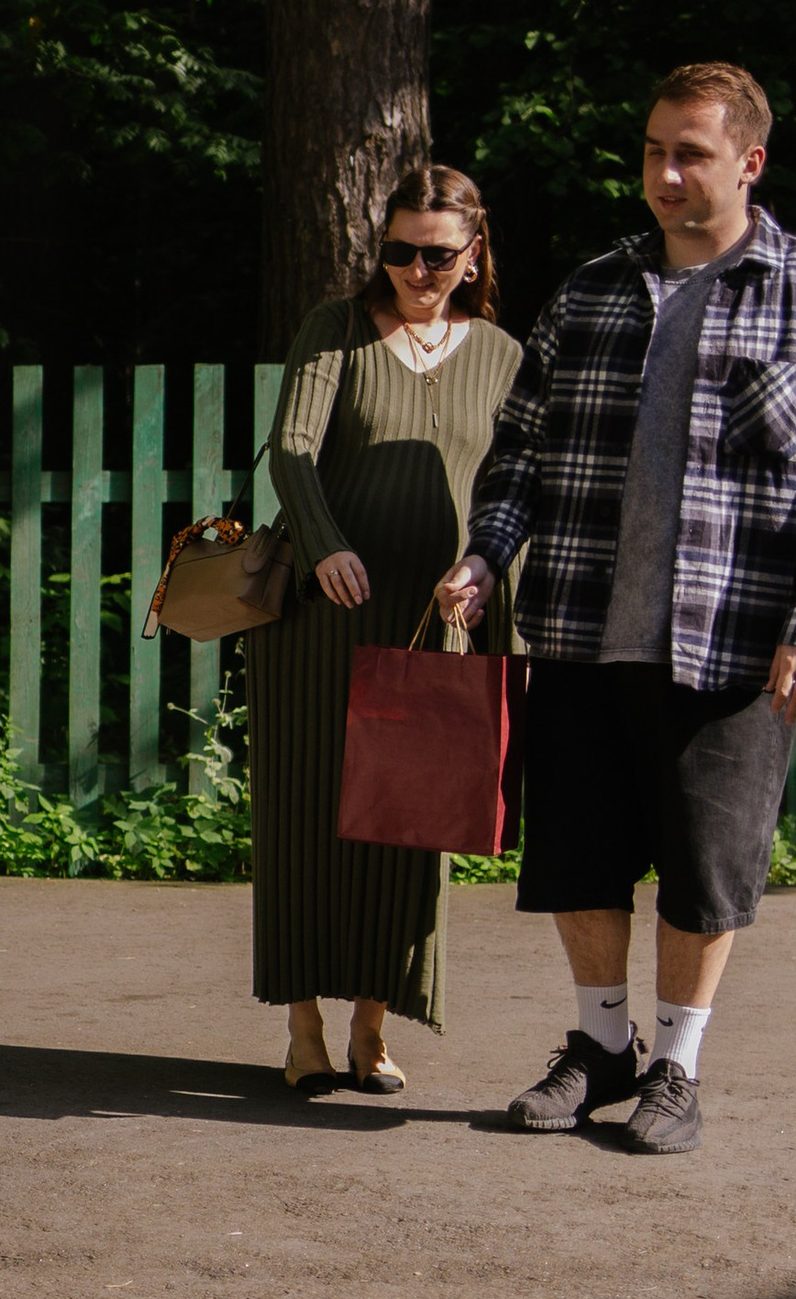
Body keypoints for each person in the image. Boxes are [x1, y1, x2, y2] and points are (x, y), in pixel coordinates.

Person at [437, 61, 796, 1154]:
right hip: (583, 626)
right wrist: (485, 555)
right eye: (652, 149)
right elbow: (519, 448)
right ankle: (600, 1049)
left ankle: (676, 1067)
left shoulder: (791, 295)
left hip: (726, 638)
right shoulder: (594, 287)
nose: (665, 171)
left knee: (703, 865)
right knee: (578, 853)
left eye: (689, 151)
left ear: (749, 160)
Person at [248, 165, 522, 1092]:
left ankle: (371, 1029)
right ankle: (303, 1031)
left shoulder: (500, 353)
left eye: (436, 254)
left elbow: (511, 487)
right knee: (307, 815)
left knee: (406, 826)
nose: (415, 268)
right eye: (399, 249)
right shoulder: (336, 328)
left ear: (472, 253)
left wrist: (484, 566)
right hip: (324, 619)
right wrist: (323, 546)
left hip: (427, 622)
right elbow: (291, 448)